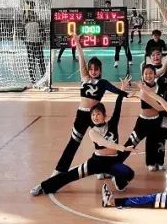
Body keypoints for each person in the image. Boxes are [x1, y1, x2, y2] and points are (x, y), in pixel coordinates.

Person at [53, 35, 130, 174]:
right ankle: (59, 170)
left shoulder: (103, 83)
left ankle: (103, 169)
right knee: (73, 143)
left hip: (95, 115)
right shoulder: (84, 78)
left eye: (96, 69)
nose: (93, 72)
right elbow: (82, 60)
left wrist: (125, 90)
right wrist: (78, 44)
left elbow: (117, 91)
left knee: (101, 142)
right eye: (91, 69)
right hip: (81, 115)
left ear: (100, 70)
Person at [32, 94, 135, 195]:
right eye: (93, 115)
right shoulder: (93, 132)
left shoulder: (112, 124)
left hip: (113, 161)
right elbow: (104, 143)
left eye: (98, 114)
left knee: (129, 173)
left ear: (104, 115)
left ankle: (118, 182)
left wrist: (122, 92)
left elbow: (118, 107)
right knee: (71, 175)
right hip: (97, 162)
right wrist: (123, 148)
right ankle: (43, 186)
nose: (95, 117)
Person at [123, 62, 167, 172]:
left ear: (155, 74)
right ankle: (114, 163)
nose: (148, 75)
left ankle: (157, 162)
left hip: (156, 121)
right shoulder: (141, 87)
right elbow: (127, 93)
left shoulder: (160, 87)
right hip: (142, 122)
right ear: (142, 75)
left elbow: (164, 70)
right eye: (146, 73)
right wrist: (123, 88)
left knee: (154, 141)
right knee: (130, 143)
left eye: (151, 73)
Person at [24, 14, 44, 84]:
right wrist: (43, 41)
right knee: (40, 61)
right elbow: (43, 33)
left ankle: (32, 78)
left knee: (31, 61)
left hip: (29, 44)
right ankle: (43, 76)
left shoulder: (26, 25)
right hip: (38, 43)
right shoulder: (38, 24)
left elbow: (23, 35)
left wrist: (25, 41)